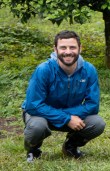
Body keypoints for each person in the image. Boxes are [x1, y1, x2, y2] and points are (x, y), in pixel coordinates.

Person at [21, 30, 105, 162]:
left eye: (72, 47)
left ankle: (70, 146)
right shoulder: (44, 70)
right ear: (55, 49)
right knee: (37, 126)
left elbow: (92, 105)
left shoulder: (89, 70)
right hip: (41, 115)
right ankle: (33, 150)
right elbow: (33, 105)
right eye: (63, 47)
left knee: (97, 123)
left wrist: (68, 117)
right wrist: (66, 118)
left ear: (80, 48)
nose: (68, 52)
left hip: (72, 114)